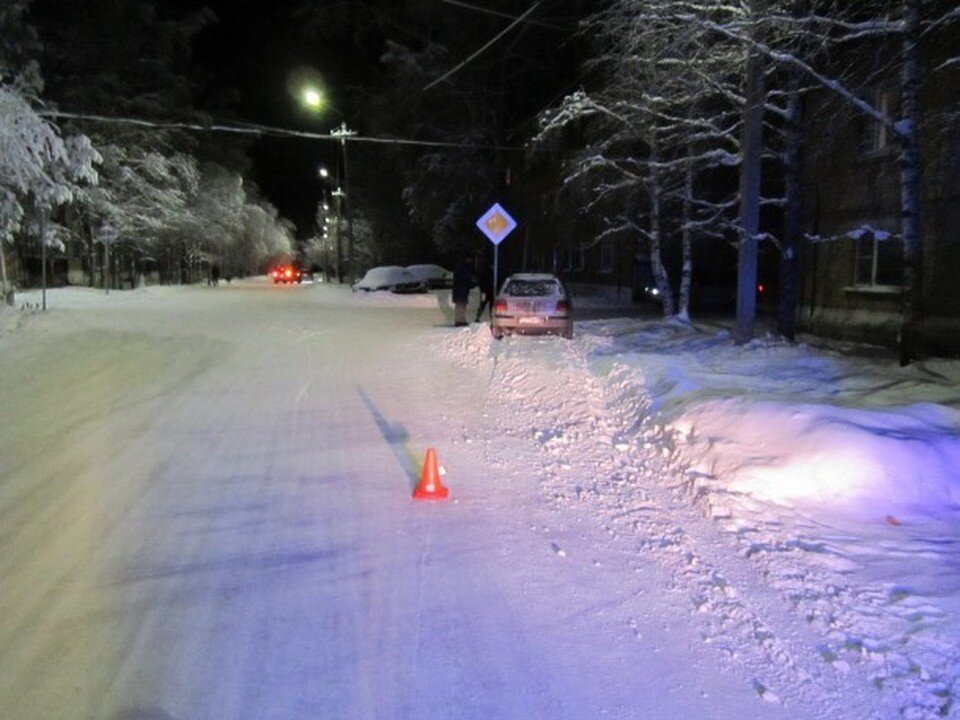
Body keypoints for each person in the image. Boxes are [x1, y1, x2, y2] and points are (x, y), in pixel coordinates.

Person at [451, 253, 475, 327]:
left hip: (460, 290)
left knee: (461, 305)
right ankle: (459, 320)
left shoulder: (461, 267)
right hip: (461, 290)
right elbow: (464, 278)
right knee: (460, 305)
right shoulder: (462, 268)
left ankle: (460, 320)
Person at [475, 258, 494, 322]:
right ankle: (491, 318)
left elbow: (481, 282)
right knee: (490, 306)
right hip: (490, 291)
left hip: (486, 291)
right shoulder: (491, 273)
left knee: (483, 305)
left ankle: (478, 317)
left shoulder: (485, 272)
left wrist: (482, 290)